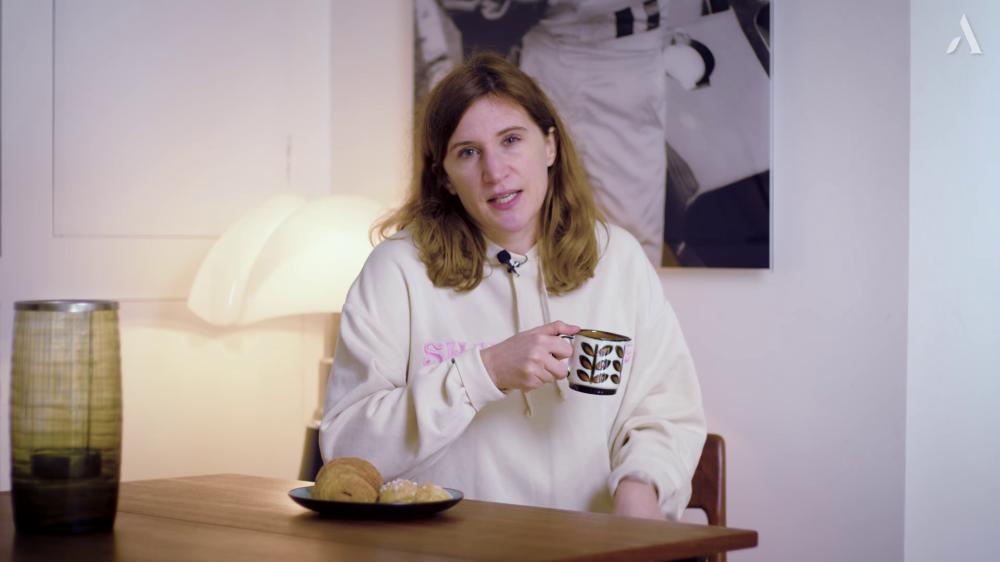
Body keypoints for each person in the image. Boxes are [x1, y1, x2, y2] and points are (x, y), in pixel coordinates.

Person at [319, 52, 706, 520]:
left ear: (550, 146)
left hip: (592, 545)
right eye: (468, 152)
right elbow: (348, 449)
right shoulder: (396, 270)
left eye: (510, 140)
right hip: (444, 548)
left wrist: (642, 484)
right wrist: (483, 372)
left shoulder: (618, 259)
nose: (495, 171)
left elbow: (666, 414)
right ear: (444, 176)